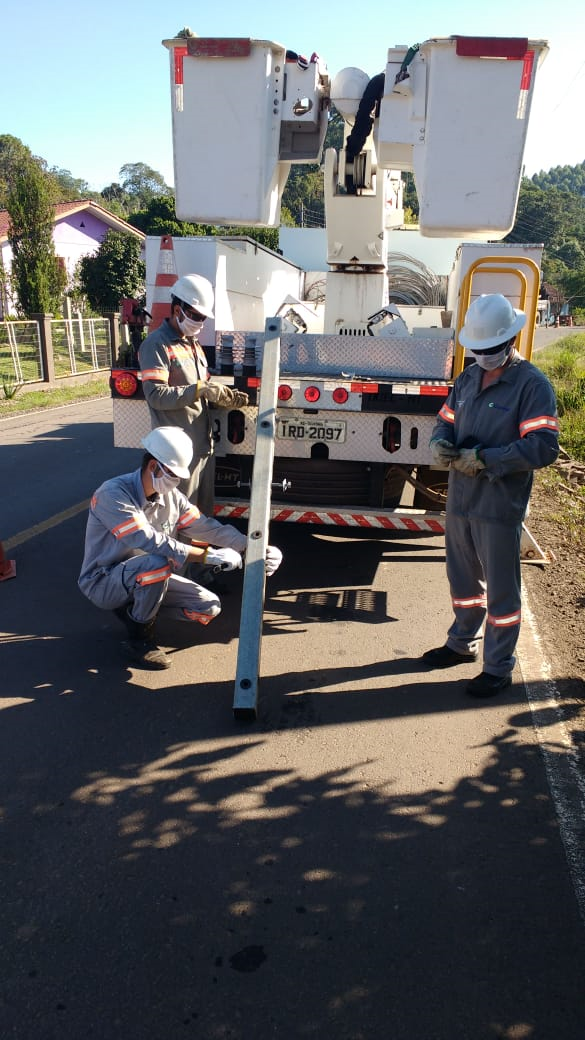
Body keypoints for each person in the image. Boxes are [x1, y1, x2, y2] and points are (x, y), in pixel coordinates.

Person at [422, 293, 559, 697]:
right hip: (461, 499)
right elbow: (445, 420)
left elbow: (543, 447)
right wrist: (439, 441)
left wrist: (485, 458)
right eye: (477, 350)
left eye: (490, 350)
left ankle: (498, 667)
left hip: (499, 504)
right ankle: (462, 643)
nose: (483, 356)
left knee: (501, 589)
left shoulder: (531, 385)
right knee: (461, 579)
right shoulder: (466, 379)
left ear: (510, 342)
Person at [78, 427, 282, 670]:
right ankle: (139, 641)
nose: (176, 481)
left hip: (147, 576)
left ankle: (137, 613)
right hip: (103, 581)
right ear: (153, 466)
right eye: (173, 474)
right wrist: (208, 556)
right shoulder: (113, 494)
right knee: (157, 562)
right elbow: (148, 539)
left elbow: (205, 527)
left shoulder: (172, 498)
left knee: (208, 606)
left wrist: (251, 547)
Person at [139, 273, 248, 516]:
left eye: (203, 318)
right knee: (177, 521)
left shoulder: (192, 343)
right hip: (176, 453)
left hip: (201, 447)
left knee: (200, 518)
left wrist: (220, 397)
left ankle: (199, 556)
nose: (200, 323)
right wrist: (200, 389)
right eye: (196, 316)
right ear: (178, 310)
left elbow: (200, 390)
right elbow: (156, 395)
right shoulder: (157, 345)